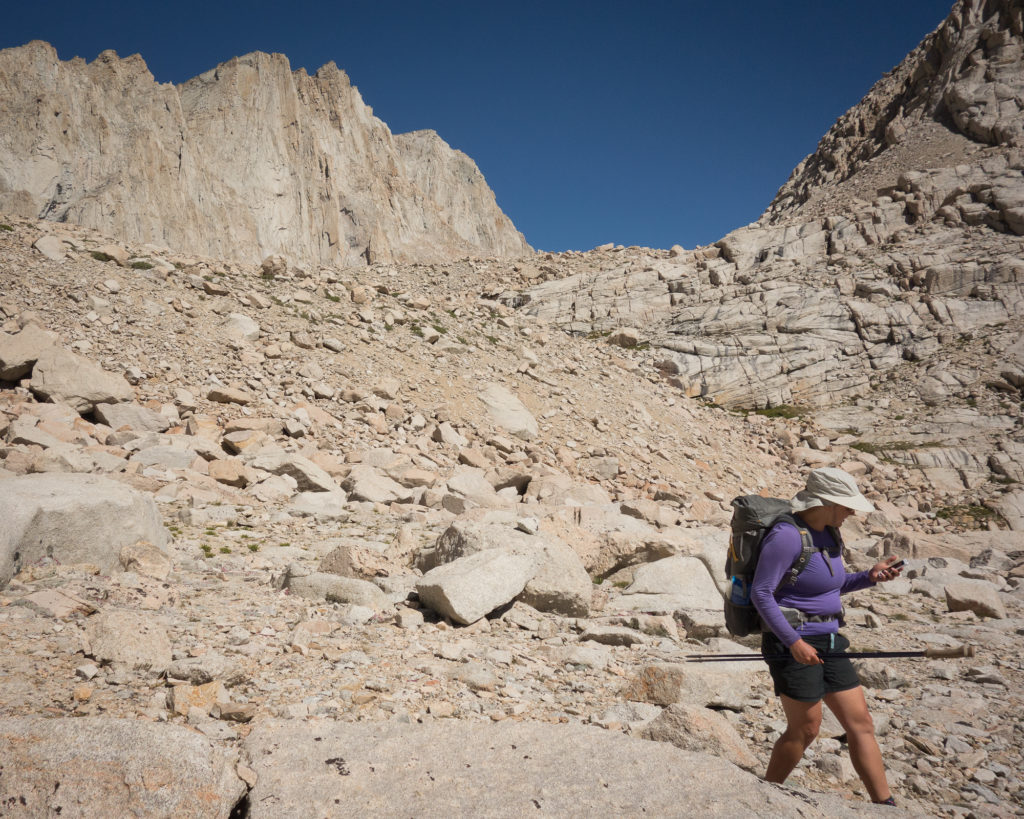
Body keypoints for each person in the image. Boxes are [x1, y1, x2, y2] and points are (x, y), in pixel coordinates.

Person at [750, 467, 903, 806]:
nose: (852, 513)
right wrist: (794, 642)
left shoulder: (831, 534)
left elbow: (832, 585)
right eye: (847, 506)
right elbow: (761, 594)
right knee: (806, 729)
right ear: (827, 502)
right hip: (792, 641)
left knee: (860, 722)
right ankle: (764, 795)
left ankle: (886, 805)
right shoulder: (787, 536)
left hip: (831, 639)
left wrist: (870, 576)